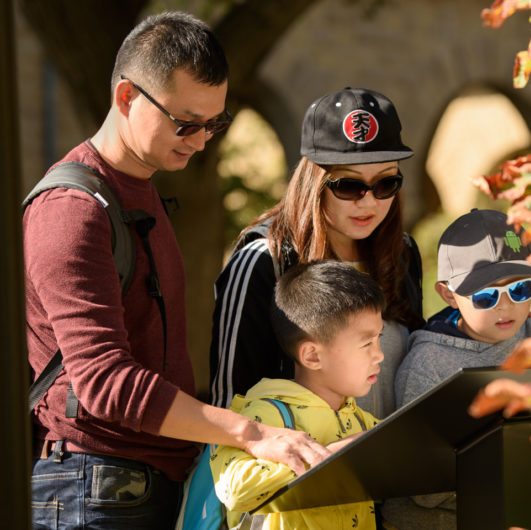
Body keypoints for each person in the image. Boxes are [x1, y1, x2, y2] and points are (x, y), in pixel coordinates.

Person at [24, 12, 327, 530]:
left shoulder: (142, 189)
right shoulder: (71, 209)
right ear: (126, 97)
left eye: (216, 123)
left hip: (141, 483)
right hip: (92, 488)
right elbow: (104, 382)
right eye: (185, 122)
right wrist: (252, 433)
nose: (202, 139)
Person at [210, 87, 424, 419]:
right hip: (302, 468)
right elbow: (231, 402)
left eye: (385, 185)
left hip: (393, 464)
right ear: (314, 182)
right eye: (349, 186)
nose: (368, 202)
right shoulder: (264, 260)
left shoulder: (402, 253)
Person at [384, 208, 531, 528]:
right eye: (486, 296)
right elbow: (423, 486)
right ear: (449, 294)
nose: (506, 306)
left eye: (520, 289)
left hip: (509, 510)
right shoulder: (427, 365)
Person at [211, 260, 383, 529]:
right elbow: (235, 490)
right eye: (367, 343)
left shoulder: (364, 422)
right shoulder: (260, 417)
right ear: (312, 355)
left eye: (379, 339)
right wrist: (337, 452)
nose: (379, 354)